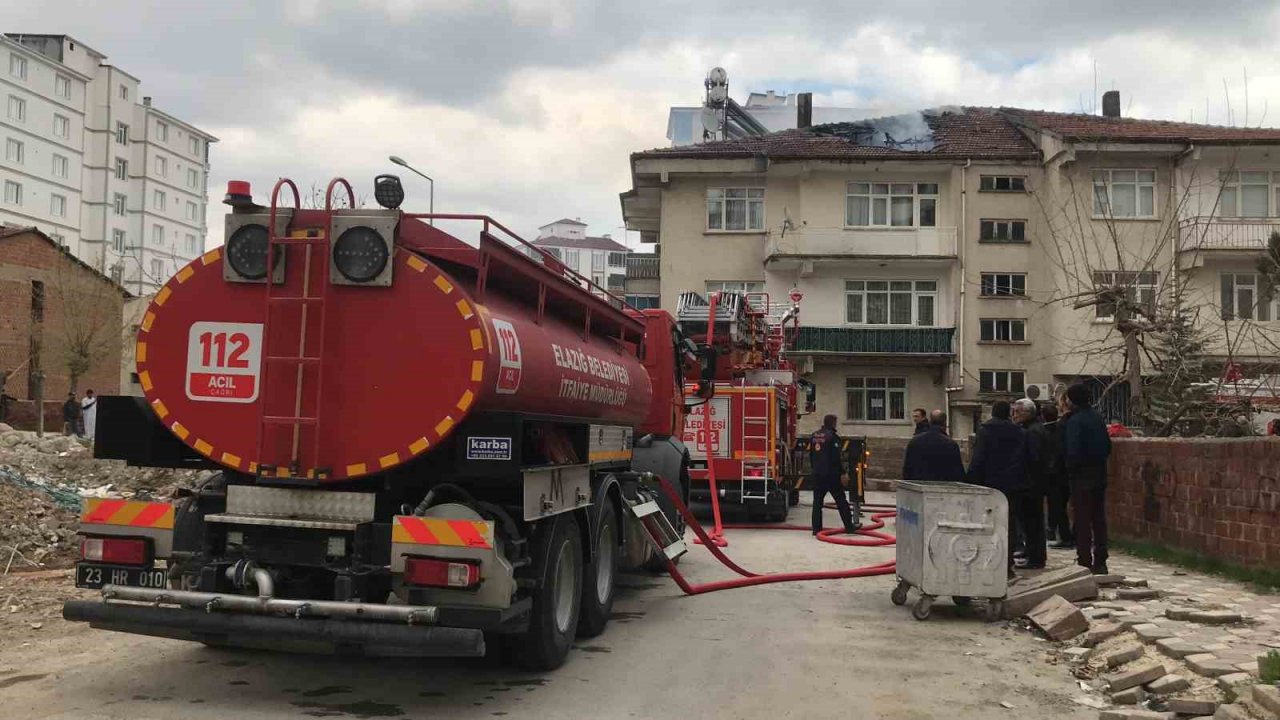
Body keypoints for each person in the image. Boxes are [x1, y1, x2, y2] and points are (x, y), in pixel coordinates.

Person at [967, 400, 1030, 577]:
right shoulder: (1019, 432)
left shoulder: (985, 431)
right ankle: (1007, 564)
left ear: (993, 413)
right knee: (1008, 525)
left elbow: (978, 459)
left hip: (990, 485)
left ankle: (988, 561)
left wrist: (972, 480)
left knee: (987, 524)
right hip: (1013, 486)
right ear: (1008, 414)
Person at [1062, 383, 1112, 574]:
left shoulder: (1075, 421)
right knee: (1099, 518)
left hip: (1081, 476)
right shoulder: (1097, 418)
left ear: (1072, 400)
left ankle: (1084, 560)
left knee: (1082, 519)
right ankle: (1101, 559)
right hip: (1099, 474)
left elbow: (1072, 451)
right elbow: (1107, 446)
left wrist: (1070, 470)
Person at [1013, 399, 1049, 569]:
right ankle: (1034, 553)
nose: (1014, 416)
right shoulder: (1033, 429)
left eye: (1017, 412)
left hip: (1031, 484)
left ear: (1027, 413)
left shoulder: (1032, 432)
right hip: (1034, 482)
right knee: (1032, 522)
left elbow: (1034, 459)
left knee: (1032, 522)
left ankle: (1036, 558)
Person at [809, 414, 859, 535]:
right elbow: (836, 458)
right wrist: (843, 473)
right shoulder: (833, 437)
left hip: (817, 474)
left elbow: (811, 455)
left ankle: (816, 529)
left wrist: (814, 469)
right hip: (831, 475)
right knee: (841, 501)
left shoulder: (814, 435)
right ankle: (849, 526)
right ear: (832, 423)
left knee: (817, 503)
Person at [1041, 404, 1072, 548]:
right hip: (1066, 473)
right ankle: (1060, 534)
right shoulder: (1064, 428)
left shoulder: (1044, 432)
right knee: (1060, 506)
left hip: (1054, 474)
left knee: (1057, 507)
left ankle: (1063, 536)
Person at [902, 410, 964, 482]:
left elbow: (907, 469)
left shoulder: (915, 441)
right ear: (944, 423)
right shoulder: (951, 445)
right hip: (942, 487)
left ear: (930, 421)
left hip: (919, 485)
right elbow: (957, 472)